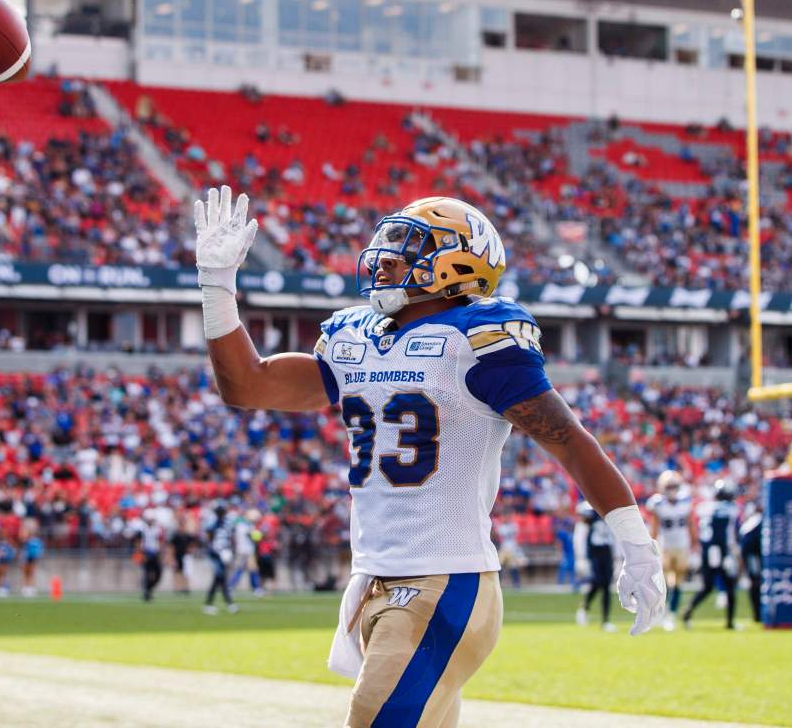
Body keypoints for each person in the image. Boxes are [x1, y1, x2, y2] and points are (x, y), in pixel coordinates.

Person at [193, 186, 665, 728]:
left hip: (445, 579)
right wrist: (217, 286)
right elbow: (247, 386)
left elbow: (570, 442)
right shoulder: (355, 337)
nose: (386, 255)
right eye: (387, 240)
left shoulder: (477, 338)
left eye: (409, 243)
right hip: (376, 577)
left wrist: (636, 544)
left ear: (459, 261)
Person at [682, 479, 739, 630]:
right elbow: (721, 534)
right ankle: (730, 622)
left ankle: (688, 610)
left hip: (707, 552)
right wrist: (726, 554)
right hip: (720, 551)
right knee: (730, 587)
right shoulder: (728, 508)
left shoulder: (705, 507)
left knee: (707, 587)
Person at [646, 469, 694, 630]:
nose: (672, 489)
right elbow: (654, 526)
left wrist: (695, 543)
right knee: (664, 582)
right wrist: (651, 544)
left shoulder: (685, 501)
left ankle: (671, 613)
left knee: (678, 582)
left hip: (682, 545)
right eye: (669, 486)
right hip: (665, 546)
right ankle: (662, 612)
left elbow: (690, 524)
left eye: (674, 486)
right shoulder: (658, 503)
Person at [574, 501, 616, 631]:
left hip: (607, 551)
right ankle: (585, 607)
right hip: (594, 553)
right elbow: (580, 535)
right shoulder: (589, 509)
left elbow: (617, 534)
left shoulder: (611, 509)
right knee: (597, 582)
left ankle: (605, 620)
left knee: (606, 586)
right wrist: (580, 557)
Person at [203, 503, 239, 615]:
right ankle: (227, 603)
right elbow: (209, 537)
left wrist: (230, 550)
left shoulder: (227, 523)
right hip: (215, 553)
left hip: (224, 553)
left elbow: (231, 537)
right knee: (220, 576)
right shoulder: (212, 523)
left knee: (220, 578)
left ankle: (217, 604)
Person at [738, 502, 763, 624]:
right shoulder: (756, 522)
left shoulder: (750, 523)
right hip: (755, 557)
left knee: (755, 584)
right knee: (756, 584)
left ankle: (758, 613)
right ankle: (758, 613)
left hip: (751, 556)